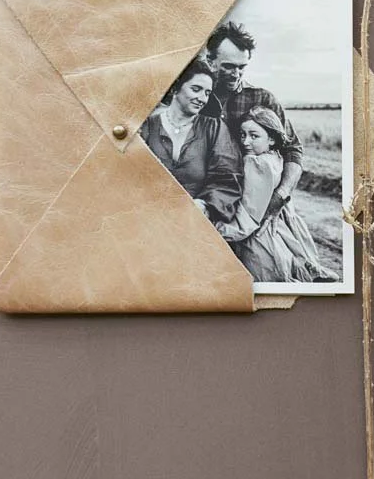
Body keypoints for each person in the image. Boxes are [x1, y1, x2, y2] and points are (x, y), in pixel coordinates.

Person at [216, 106, 337, 283]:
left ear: (272, 139)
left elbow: (248, 217)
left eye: (254, 136)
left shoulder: (257, 164)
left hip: (261, 239)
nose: (245, 142)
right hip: (284, 232)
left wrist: (218, 231)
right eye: (243, 135)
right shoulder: (276, 158)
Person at [202, 21, 303, 222]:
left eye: (242, 67)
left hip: (258, 202)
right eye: (228, 67)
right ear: (210, 61)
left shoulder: (262, 99)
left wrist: (281, 195)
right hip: (207, 200)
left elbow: (292, 149)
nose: (236, 74)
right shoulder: (195, 99)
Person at [139, 59, 243, 222]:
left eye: (207, 93)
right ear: (175, 88)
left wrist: (204, 206)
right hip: (144, 219)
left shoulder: (214, 128)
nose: (202, 98)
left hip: (193, 223)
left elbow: (227, 178)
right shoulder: (145, 126)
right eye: (196, 89)